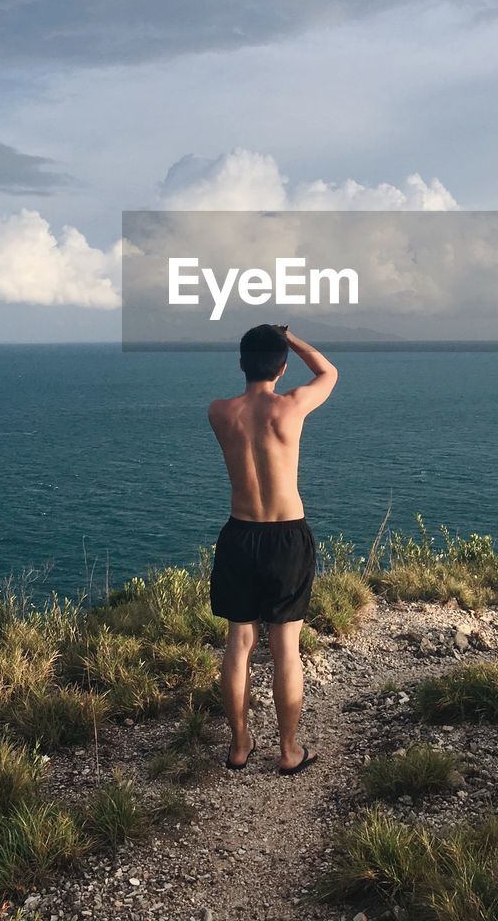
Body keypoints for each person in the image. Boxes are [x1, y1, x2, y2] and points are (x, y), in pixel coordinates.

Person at [207, 324, 338, 775]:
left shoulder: (220, 412)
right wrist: (294, 339)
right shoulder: (291, 407)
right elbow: (328, 372)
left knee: (239, 642)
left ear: (242, 364)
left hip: (239, 535)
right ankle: (288, 751)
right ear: (282, 367)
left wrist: (274, 347)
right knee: (286, 647)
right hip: (286, 535)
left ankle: (240, 745)